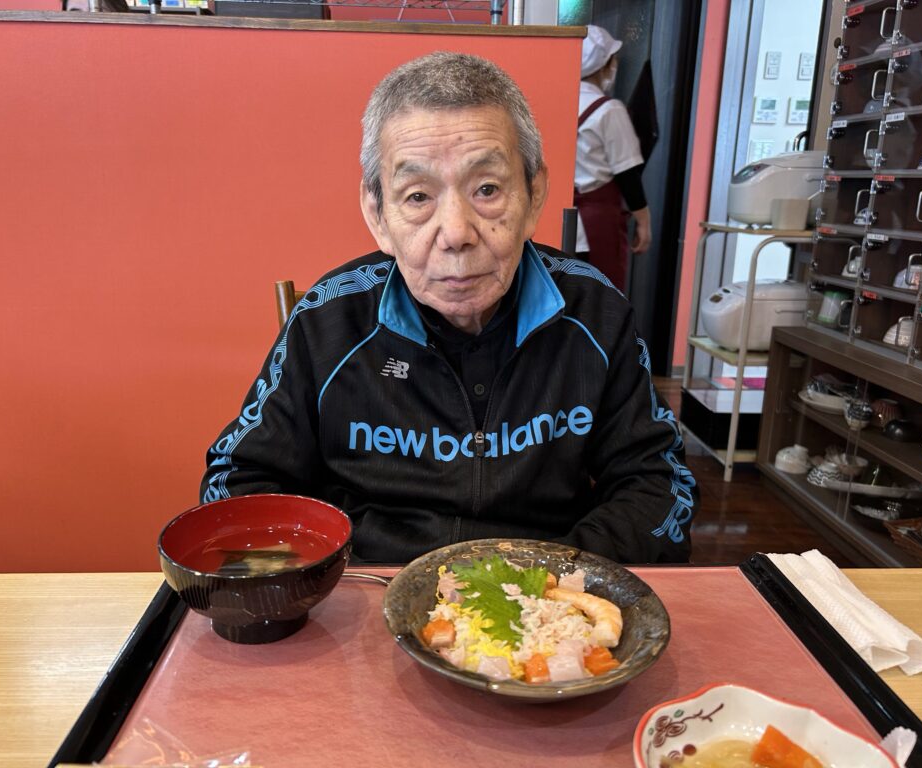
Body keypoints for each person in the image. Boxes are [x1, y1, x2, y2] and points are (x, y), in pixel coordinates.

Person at [200, 51, 696, 565]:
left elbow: (660, 483)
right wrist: (332, 578)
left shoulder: (596, 313)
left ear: (534, 195)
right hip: (371, 588)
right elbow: (237, 482)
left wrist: (553, 580)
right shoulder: (326, 322)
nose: (456, 233)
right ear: (378, 215)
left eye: (487, 189)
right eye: (418, 197)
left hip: (546, 591)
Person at [574, 25, 652, 290]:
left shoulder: (560, 100)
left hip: (561, 214)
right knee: (602, 293)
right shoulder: (609, 110)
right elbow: (627, 173)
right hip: (598, 218)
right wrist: (644, 222)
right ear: (605, 64)